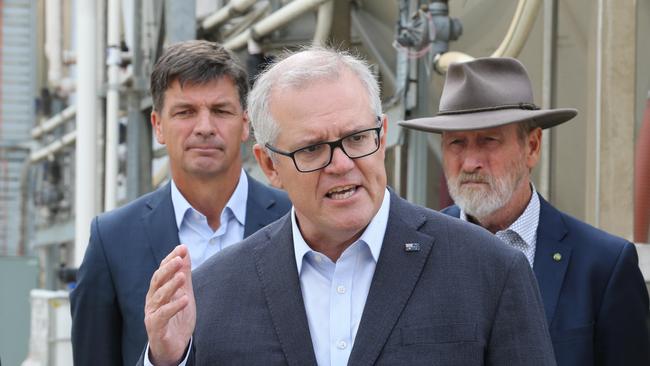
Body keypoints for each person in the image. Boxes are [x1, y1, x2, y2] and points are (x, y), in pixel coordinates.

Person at [139, 47, 555, 366]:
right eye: (313, 148)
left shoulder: (489, 270)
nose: (342, 165)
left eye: (357, 139)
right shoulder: (215, 290)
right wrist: (168, 360)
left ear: (384, 135)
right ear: (269, 165)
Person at [400, 57, 650, 366]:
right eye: (457, 143)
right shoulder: (414, 253)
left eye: (488, 141)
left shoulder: (603, 266)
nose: (469, 162)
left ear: (531, 147)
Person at [70, 40, 291, 366]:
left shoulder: (296, 220)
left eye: (220, 110)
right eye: (185, 112)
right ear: (158, 125)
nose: (204, 128)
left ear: (245, 123)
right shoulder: (113, 240)